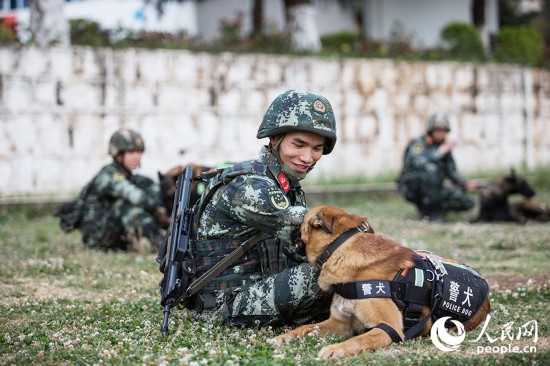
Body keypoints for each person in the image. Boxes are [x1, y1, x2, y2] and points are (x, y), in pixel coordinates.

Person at [186, 90, 337, 327]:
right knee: (331, 273)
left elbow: (300, 250)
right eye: (298, 144)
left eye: (317, 148)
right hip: (221, 305)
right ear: (275, 139)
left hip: (255, 289)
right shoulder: (250, 186)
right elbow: (317, 230)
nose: (307, 157)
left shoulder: (286, 184)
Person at [77, 128, 170, 251]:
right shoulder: (107, 175)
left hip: (118, 238)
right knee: (125, 205)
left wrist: (165, 210)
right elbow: (134, 195)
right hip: (97, 237)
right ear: (118, 155)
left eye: (139, 152)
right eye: (131, 152)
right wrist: (157, 210)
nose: (137, 156)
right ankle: (162, 245)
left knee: (146, 186)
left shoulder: (131, 177)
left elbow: (154, 192)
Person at [397, 112, 477, 222]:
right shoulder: (418, 144)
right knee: (430, 169)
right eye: (438, 131)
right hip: (413, 187)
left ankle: (434, 208)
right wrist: (440, 151)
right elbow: (420, 163)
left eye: (443, 131)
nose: (441, 134)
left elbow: (451, 171)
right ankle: (428, 213)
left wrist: (464, 183)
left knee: (467, 201)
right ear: (431, 131)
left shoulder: (443, 147)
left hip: (435, 188)